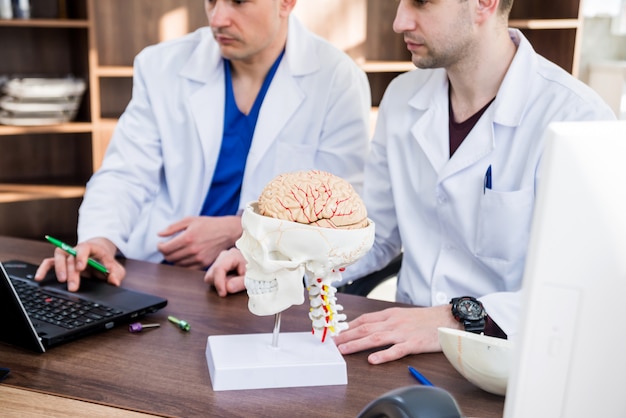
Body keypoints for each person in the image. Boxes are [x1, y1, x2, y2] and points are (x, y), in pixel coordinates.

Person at [204, 0, 616, 364]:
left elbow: (588, 295)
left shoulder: (577, 120)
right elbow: (375, 236)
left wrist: (449, 318)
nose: (400, 20)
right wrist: (288, 257)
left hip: (510, 359)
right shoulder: (402, 98)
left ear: (484, 3)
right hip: (400, 346)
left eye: (421, 2)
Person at [34, 0, 371, 291]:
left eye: (238, 2)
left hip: (264, 278)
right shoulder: (160, 66)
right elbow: (125, 174)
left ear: (286, 3)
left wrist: (238, 230)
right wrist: (99, 239)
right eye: (211, 0)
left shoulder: (336, 79)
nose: (217, 19)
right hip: (158, 270)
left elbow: (336, 210)